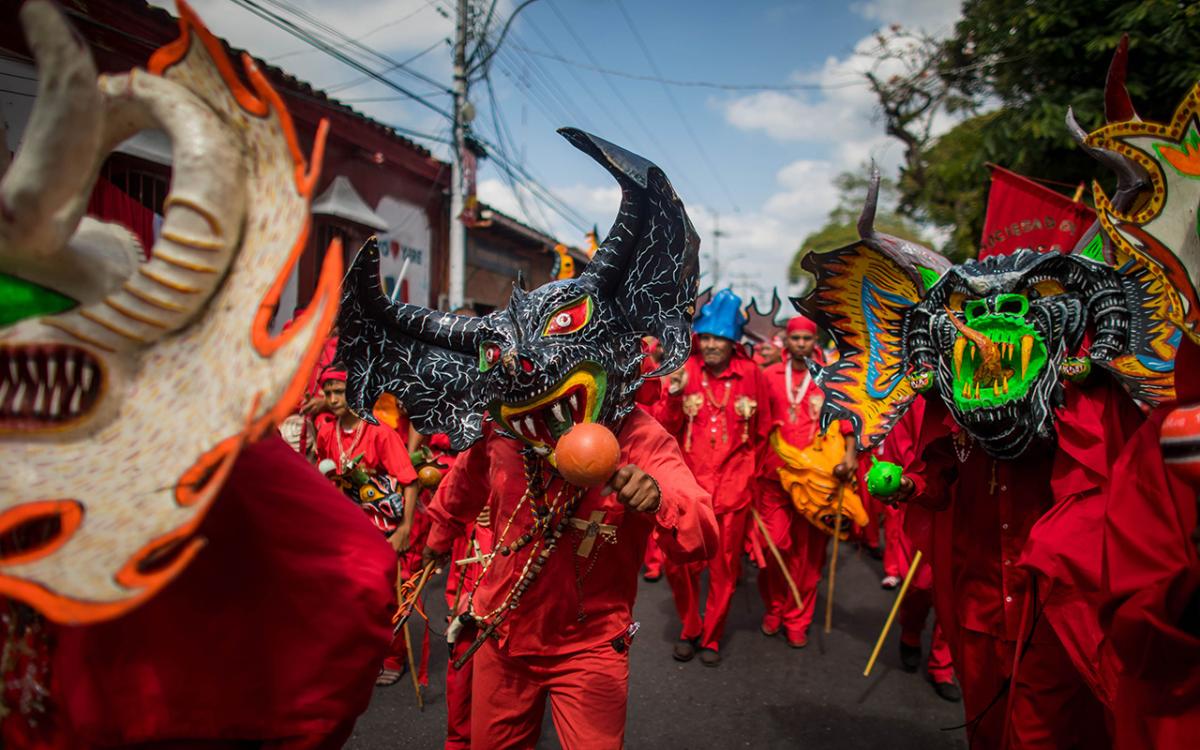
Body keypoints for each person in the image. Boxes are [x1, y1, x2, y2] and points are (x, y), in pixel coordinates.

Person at [336, 129, 718, 747]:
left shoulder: (641, 437)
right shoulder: (504, 428)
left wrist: (660, 500)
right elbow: (460, 490)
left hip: (590, 649)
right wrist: (430, 546)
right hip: (501, 633)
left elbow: (701, 531)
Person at [656, 288, 772, 667]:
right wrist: (672, 396)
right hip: (689, 489)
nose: (708, 345)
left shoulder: (753, 375)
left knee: (724, 570)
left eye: (717, 339)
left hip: (734, 490)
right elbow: (665, 430)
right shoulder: (685, 372)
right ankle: (690, 626)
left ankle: (712, 637)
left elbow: (762, 433)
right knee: (679, 564)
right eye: (704, 337)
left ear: (732, 342)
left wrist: (752, 477)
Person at [753, 314, 856, 649]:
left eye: (806, 339)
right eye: (794, 338)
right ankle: (774, 606)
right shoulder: (767, 376)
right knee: (774, 546)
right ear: (786, 340)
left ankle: (798, 618)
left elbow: (847, 422)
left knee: (809, 556)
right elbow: (754, 426)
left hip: (818, 480)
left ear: (814, 342)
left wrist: (850, 457)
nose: (800, 344)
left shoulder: (831, 380)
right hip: (774, 476)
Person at [315, 369, 419, 686]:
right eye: (328, 392)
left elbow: (409, 481)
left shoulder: (379, 432)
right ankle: (360, 655)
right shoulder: (325, 433)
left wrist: (403, 529)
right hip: (346, 528)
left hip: (382, 526)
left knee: (386, 595)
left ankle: (393, 655)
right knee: (348, 595)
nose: (332, 400)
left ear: (356, 391)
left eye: (339, 392)